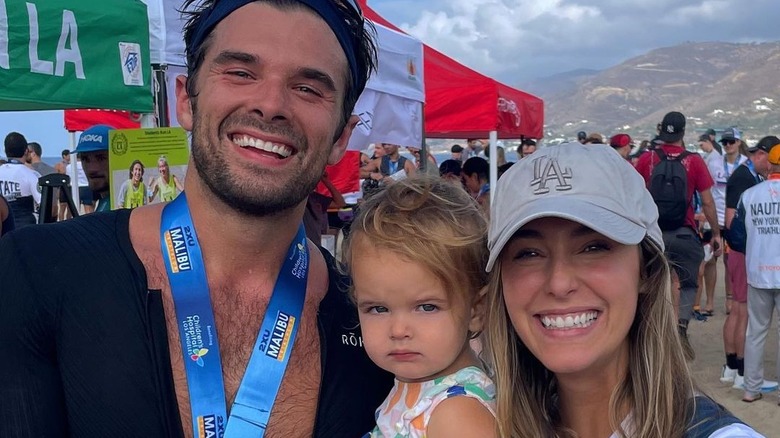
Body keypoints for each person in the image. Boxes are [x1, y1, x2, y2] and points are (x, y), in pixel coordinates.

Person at [0, 1, 393, 437]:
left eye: (307, 88)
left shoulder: (375, 321)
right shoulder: (34, 271)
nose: (270, 105)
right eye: (241, 72)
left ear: (341, 137)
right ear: (185, 100)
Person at [483, 142, 763, 438]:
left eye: (593, 247)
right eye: (528, 253)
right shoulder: (475, 423)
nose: (559, 283)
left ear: (646, 271)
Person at [345, 176, 496, 438]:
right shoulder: (422, 386)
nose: (399, 330)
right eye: (378, 309)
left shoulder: (458, 414)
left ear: (476, 310)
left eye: (426, 307)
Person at [634, 111, 721, 359]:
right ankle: (680, 328)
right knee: (688, 283)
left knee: (651, 283)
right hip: (684, 233)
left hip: (653, 235)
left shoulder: (647, 159)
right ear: (683, 132)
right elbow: (707, 202)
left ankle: (653, 333)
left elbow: (636, 197)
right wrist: (715, 233)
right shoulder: (694, 161)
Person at [721, 135, 780, 391]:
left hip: (757, 272)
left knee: (755, 331)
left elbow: (735, 235)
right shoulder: (748, 189)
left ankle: (751, 388)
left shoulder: (751, 194)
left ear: (770, 164)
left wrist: (756, 249)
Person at [0, 132, 41, 228]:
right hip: (24, 229)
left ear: (5, 150)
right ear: (26, 151)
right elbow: (44, 204)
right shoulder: (32, 175)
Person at [72, 125, 113, 213]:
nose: (92, 169)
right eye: (85, 159)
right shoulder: (105, 202)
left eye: (101, 158)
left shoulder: (125, 205)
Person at [54, 149, 73, 220]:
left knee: (70, 207)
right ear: (64, 156)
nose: (70, 156)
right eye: (69, 155)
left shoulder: (72, 165)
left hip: (70, 187)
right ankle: (61, 222)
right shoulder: (59, 165)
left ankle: (68, 221)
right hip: (62, 187)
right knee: (62, 207)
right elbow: (56, 177)